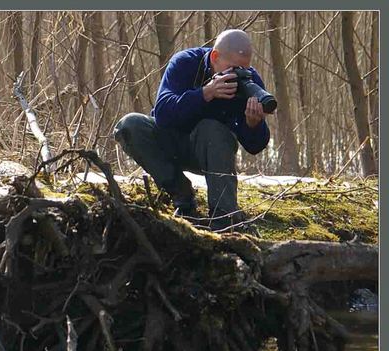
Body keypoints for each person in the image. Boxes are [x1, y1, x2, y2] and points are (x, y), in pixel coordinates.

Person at [113, 29, 271, 231]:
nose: (238, 75)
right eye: (232, 68)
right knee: (129, 125)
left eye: (244, 69)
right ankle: (182, 195)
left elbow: (256, 145)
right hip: (170, 142)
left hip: (211, 153)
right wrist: (205, 93)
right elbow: (162, 113)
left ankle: (224, 216)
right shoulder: (185, 62)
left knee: (212, 128)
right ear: (214, 56)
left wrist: (253, 123)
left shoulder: (249, 82)